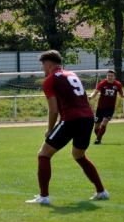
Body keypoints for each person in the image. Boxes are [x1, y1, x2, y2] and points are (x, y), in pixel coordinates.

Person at [26, 50, 109, 205]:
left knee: (43, 155)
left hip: (71, 119)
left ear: (49, 64)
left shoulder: (50, 80)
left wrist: (50, 129)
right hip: (87, 118)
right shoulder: (72, 74)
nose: (43, 69)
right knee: (79, 155)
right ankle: (101, 191)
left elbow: (54, 110)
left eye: (43, 65)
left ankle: (44, 197)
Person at [89, 70, 124, 145]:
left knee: (104, 123)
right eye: (108, 76)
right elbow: (95, 92)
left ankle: (98, 139)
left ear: (114, 77)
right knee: (96, 127)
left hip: (110, 108)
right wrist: (91, 96)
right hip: (100, 108)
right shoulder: (102, 83)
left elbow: (121, 93)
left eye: (111, 76)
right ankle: (99, 138)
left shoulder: (117, 84)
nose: (109, 77)